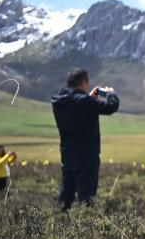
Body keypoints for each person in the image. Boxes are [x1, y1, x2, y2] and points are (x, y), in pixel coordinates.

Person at [51, 68, 119, 210]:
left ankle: (59, 218)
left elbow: (77, 108)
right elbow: (110, 107)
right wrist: (111, 94)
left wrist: (88, 97)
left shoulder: (58, 100)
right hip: (86, 156)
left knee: (66, 192)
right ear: (83, 83)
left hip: (67, 154)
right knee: (87, 195)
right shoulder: (84, 102)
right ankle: (87, 220)